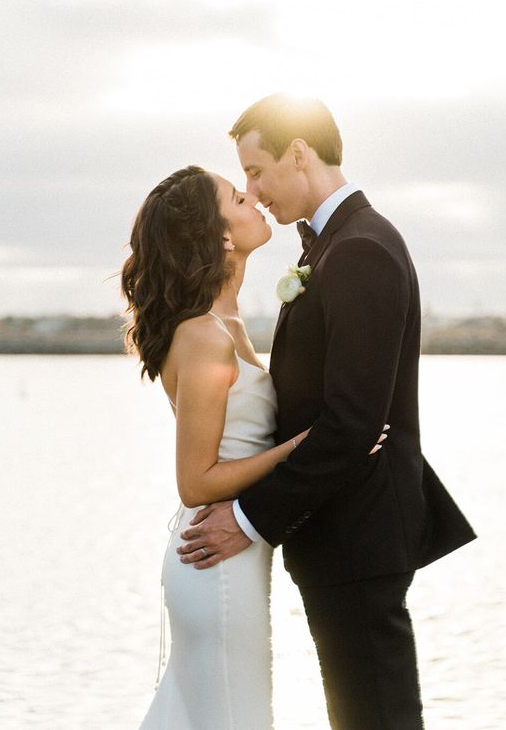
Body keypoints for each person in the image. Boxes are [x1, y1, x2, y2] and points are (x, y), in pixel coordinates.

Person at [177, 94, 477, 729]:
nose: (253, 192)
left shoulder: (362, 247)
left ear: (298, 152)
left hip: (359, 530)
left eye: (256, 171)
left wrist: (250, 520)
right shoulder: (333, 246)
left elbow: (352, 421)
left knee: (377, 718)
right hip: (340, 531)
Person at [122, 166, 383, 729]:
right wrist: (303, 447)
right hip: (213, 559)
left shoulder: (227, 320)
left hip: (234, 554)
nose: (256, 200)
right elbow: (195, 481)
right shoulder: (203, 336)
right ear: (219, 235)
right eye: (240, 198)